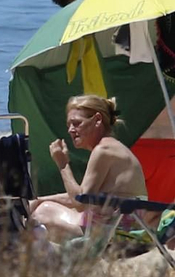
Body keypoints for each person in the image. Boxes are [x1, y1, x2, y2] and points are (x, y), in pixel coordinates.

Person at [28, 95, 146, 244]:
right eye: (69, 125)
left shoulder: (103, 150)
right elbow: (82, 195)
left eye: (77, 123)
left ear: (97, 120)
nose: (71, 130)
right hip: (124, 227)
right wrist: (37, 200)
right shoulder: (111, 147)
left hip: (113, 233)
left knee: (42, 213)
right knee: (41, 207)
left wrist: (63, 165)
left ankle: (42, 264)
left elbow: (80, 202)